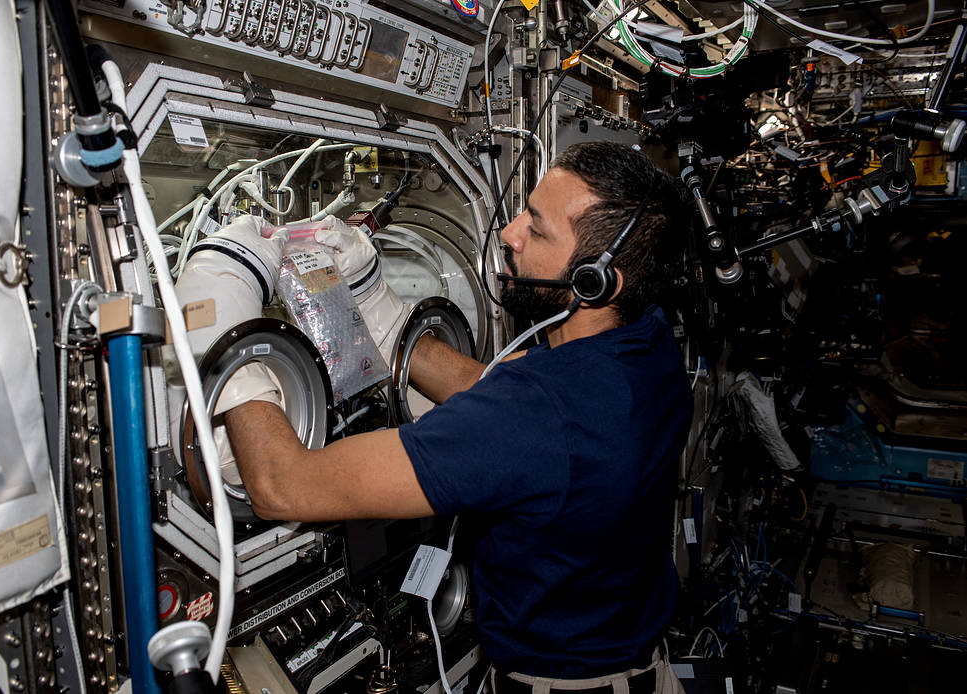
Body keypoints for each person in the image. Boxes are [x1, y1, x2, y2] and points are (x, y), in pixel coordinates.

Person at [180, 141, 692, 693]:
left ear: (596, 279)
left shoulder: (533, 417)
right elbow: (492, 389)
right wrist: (377, 304)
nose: (509, 233)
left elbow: (282, 486)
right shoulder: (645, 343)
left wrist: (226, 338)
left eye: (537, 229)